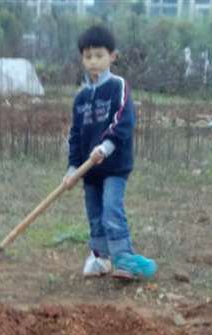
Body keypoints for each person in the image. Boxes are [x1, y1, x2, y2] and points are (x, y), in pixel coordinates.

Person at [63, 24, 156, 281]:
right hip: (89, 170)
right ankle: (100, 257)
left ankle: (124, 258)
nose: (93, 62)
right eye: (88, 56)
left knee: (111, 209)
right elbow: (76, 134)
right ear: (82, 58)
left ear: (112, 56)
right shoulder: (81, 97)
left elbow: (123, 120)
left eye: (99, 55)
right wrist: (73, 168)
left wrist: (106, 146)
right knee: (94, 214)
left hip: (114, 165)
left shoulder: (118, 87)